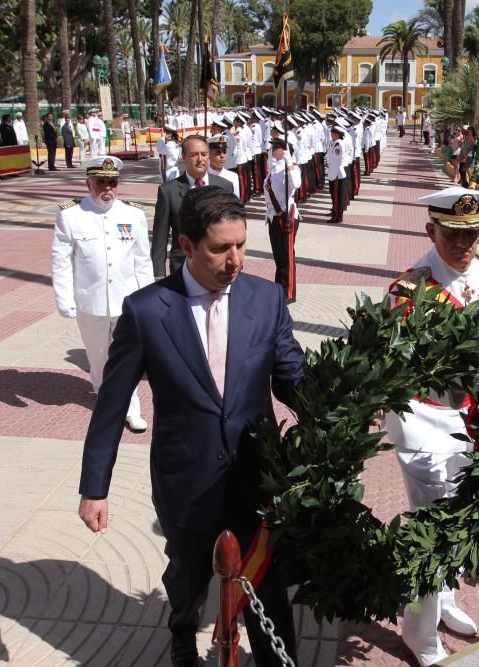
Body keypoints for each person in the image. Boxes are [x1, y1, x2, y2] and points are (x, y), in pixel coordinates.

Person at [78, 185, 304, 667]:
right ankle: (181, 634)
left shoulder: (265, 299)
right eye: (222, 248)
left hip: (256, 476)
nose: (237, 260)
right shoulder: (145, 312)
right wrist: (95, 487)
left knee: (267, 586)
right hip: (186, 479)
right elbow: (112, 406)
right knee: (188, 577)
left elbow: (292, 378)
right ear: (186, 246)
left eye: (242, 245)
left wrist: (340, 407)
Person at [383, 186, 479, 667]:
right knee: (434, 527)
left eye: (471, 234)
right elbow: (395, 363)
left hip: (468, 418)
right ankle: (418, 632)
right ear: (431, 230)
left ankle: (444, 600)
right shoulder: (411, 288)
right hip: (423, 419)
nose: (463, 245)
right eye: (452, 234)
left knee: (458, 515)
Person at [51, 156, 153, 431]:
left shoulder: (133, 214)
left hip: (127, 302)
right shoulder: (70, 215)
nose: (107, 188)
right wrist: (64, 299)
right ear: (88, 183)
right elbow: (61, 262)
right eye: (101, 182)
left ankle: (130, 409)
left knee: (127, 358)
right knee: (98, 357)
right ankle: (104, 395)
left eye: (113, 182)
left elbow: (142, 261)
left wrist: (148, 301)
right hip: (90, 301)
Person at [151, 135, 235, 279]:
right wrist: (158, 274)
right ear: (184, 157)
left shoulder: (225, 186)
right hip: (183, 267)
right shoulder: (168, 191)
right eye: (194, 155)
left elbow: (232, 229)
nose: (200, 159)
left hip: (218, 266)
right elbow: (160, 237)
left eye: (204, 154)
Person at [263, 137, 301, 303]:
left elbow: (297, 184)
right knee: (278, 256)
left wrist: (289, 162)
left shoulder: (290, 169)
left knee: (287, 256)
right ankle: (279, 287)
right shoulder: (274, 169)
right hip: (273, 217)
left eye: (276, 148)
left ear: (283, 151)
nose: (272, 150)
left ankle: (289, 292)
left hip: (286, 217)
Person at [325, 124, 347, 224]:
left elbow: (336, 162)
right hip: (333, 173)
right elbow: (329, 156)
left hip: (337, 174)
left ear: (338, 135)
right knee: (334, 196)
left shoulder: (339, 145)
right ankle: (335, 214)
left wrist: (332, 176)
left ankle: (338, 217)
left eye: (333, 133)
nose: (331, 135)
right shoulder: (332, 143)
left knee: (337, 197)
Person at [206, 134, 240, 199]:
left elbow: (236, 202)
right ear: (209, 155)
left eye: (224, 152)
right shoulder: (203, 177)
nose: (222, 156)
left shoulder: (233, 177)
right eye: (218, 152)